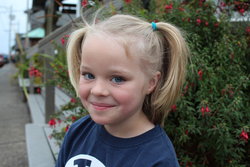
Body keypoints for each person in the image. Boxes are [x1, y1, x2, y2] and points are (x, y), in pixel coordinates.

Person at [55, 13, 189, 167]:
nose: (98, 90)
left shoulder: (158, 158)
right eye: (89, 75)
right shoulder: (78, 132)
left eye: (117, 79)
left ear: (151, 83)